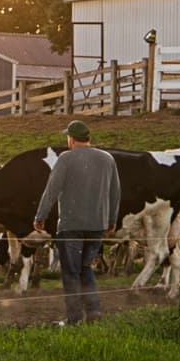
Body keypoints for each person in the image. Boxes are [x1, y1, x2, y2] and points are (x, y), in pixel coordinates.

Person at [35, 119, 120, 325]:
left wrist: (41, 215)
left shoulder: (66, 159)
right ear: (88, 138)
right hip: (96, 224)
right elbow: (115, 192)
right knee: (86, 268)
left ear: (71, 139)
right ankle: (94, 312)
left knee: (71, 272)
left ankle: (74, 318)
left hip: (71, 224)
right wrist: (111, 219)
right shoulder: (107, 159)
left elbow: (52, 189)